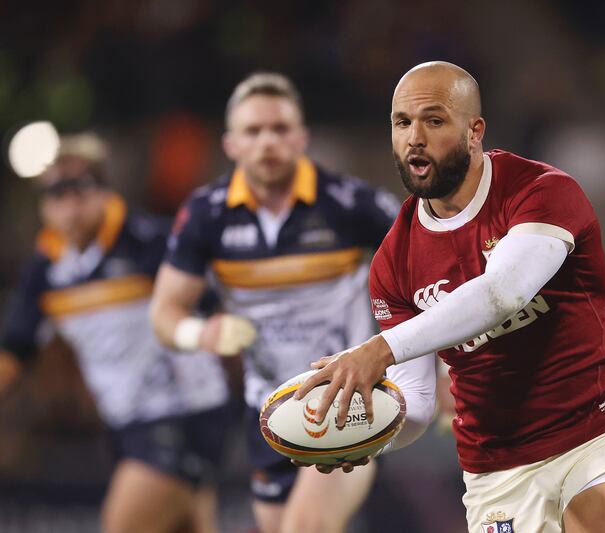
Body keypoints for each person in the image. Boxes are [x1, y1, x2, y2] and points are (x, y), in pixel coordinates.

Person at [295, 61, 605, 533]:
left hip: (594, 432)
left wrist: (378, 350)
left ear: (474, 131)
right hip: (497, 470)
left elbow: (503, 293)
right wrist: (363, 441)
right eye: (402, 123)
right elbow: (420, 403)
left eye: (434, 120)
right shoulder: (393, 262)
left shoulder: (542, 192)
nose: (415, 138)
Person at [148, 72, 411, 533]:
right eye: (253, 131)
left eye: (280, 128)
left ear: (301, 138)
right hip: (266, 409)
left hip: (347, 398)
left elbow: (424, 276)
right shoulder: (205, 215)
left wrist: (442, 370)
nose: (267, 141)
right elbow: (164, 313)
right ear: (230, 144)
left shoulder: (350, 205)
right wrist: (200, 332)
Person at [0, 133, 235, 533]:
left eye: (77, 189)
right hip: (127, 425)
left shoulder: (148, 243)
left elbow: (214, 301)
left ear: (103, 191)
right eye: (54, 193)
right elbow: (17, 343)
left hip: (181, 415)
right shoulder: (47, 270)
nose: (67, 205)